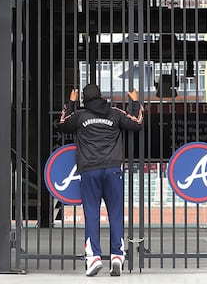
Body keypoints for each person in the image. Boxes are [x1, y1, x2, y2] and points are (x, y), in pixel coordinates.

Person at [57, 83, 144, 277]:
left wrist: (70, 103)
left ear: (84, 100)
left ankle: (94, 258)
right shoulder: (114, 113)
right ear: (101, 96)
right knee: (115, 214)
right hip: (113, 169)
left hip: (89, 171)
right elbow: (137, 123)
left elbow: (62, 124)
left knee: (92, 215)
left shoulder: (79, 116)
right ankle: (116, 256)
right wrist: (135, 101)